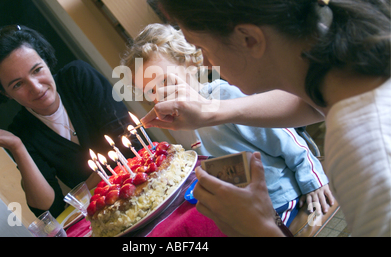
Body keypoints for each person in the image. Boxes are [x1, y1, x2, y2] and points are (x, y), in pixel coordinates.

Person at [141, 0, 390, 236]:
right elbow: (310, 103)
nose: (206, 63)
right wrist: (210, 112)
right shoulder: (344, 77)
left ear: (249, 39)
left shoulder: (364, 149)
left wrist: (257, 227)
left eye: (203, 48)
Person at [121, 23, 334, 226]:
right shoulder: (179, 125)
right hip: (246, 209)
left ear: (191, 65)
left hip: (280, 198)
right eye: (151, 92)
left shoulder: (224, 96)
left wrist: (312, 180)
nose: (160, 94)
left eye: (165, 81)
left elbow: (287, 140)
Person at [0, 25, 139, 217]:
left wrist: (82, 191)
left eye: (37, 70)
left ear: (45, 60)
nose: (35, 87)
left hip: (146, 178)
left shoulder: (78, 76)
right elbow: (51, 210)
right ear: (3, 92)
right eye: (18, 84)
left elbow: (130, 144)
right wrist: (17, 147)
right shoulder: (21, 132)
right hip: (108, 212)